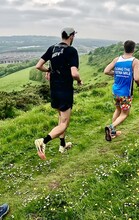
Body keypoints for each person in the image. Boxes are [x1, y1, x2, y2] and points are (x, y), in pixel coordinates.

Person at [35, 27, 83, 159]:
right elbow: (74, 73)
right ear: (71, 36)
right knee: (64, 123)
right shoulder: (71, 51)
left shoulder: (52, 48)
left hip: (54, 89)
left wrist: (48, 71)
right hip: (65, 90)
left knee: (61, 118)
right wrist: (79, 80)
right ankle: (43, 142)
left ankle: (62, 145)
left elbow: (38, 65)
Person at [104, 40, 139, 141]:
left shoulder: (117, 59)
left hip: (115, 91)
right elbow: (137, 78)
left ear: (124, 48)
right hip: (125, 93)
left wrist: (116, 74)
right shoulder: (135, 61)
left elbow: (106, 71)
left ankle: (112, 133)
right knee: (124, 114)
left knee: (117, 110)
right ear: (133, 49)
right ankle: (111, 127)